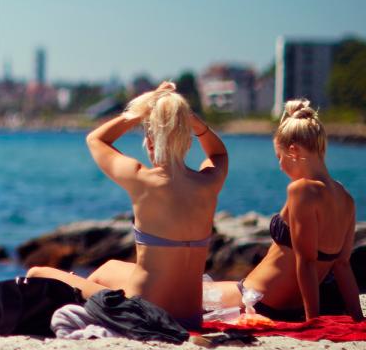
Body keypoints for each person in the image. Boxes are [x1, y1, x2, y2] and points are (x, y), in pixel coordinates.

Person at [26, 81, 229, 329]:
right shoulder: (208, 182)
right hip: (190, 316)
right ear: (187, 140)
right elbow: (219, 154)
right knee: (109, 268)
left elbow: (96, 139)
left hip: (146, 312)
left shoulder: (142, 179)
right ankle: (88, 300)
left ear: (151, 141)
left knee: (36, 273)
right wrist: (193, 121)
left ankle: (85, 303)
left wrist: (141, 110)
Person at [211, 100, 363, 322]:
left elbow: (307, 262)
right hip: (288, 307)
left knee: (182, 292)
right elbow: (342, 266)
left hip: (256, 298)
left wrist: (312, 321)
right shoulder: (346, 199)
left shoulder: (302, 190)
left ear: (293, 151)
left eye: (279, 157)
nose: (280, 166)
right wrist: (358, 317)